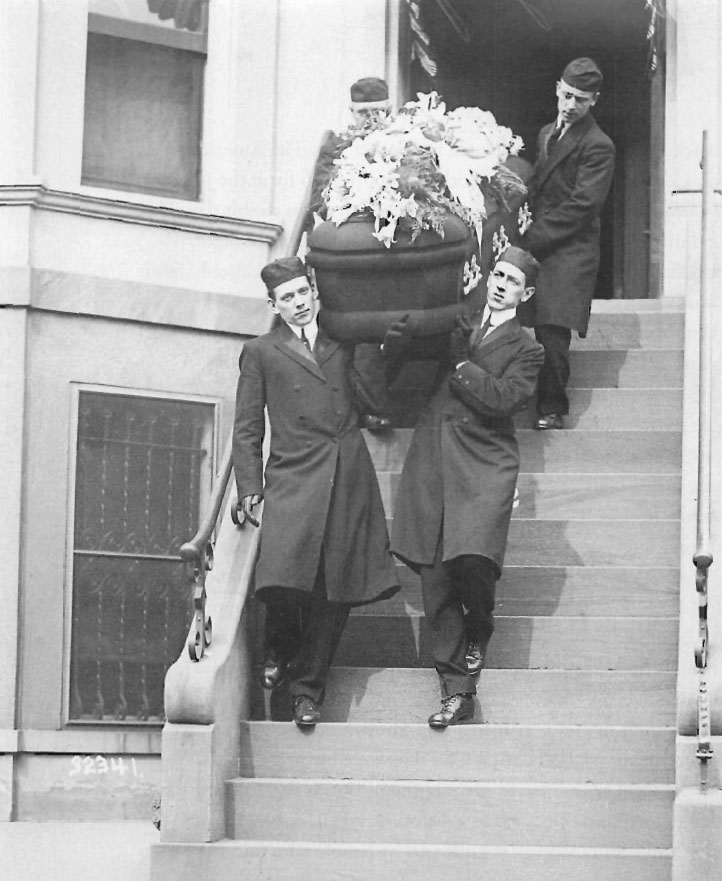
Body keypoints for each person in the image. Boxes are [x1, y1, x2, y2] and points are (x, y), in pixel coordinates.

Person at [232, 256, 400, 728]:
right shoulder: (260, 351)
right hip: (293, 472)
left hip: (346, 473)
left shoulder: (342, 342)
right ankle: (280, 647)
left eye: (303, 292)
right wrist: (249, 486)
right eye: (287, 298)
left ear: (314, 292)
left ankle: (308, 691)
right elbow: (247, 426)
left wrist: (366, 340)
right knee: (283, 572)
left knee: (334, 587)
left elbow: (373, 400)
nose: (298, 303)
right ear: (274, 306)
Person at [390, 247, 544, 728]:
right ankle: (458, 692)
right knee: (436, 580)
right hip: (435, 461)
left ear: (526, 294)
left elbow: (504, 399)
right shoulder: (455, 322)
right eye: (498, 274)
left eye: (512, 281)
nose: (500, 284)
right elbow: (405, 365)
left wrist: (460, 365)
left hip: (484, 463)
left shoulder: (529, 349)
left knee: (475, 560)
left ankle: (480, 625)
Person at [518, 57, 615, 430]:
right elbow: (538, 184)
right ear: (558, 89)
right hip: (543, 238)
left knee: (553, 325)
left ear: (594, 101)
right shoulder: (547, 132)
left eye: (581, 100)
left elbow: (583, 206)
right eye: (567, 95)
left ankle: (552, 407)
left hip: (572, 246)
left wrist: (532, 237)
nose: (571, 105)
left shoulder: (598, 145)